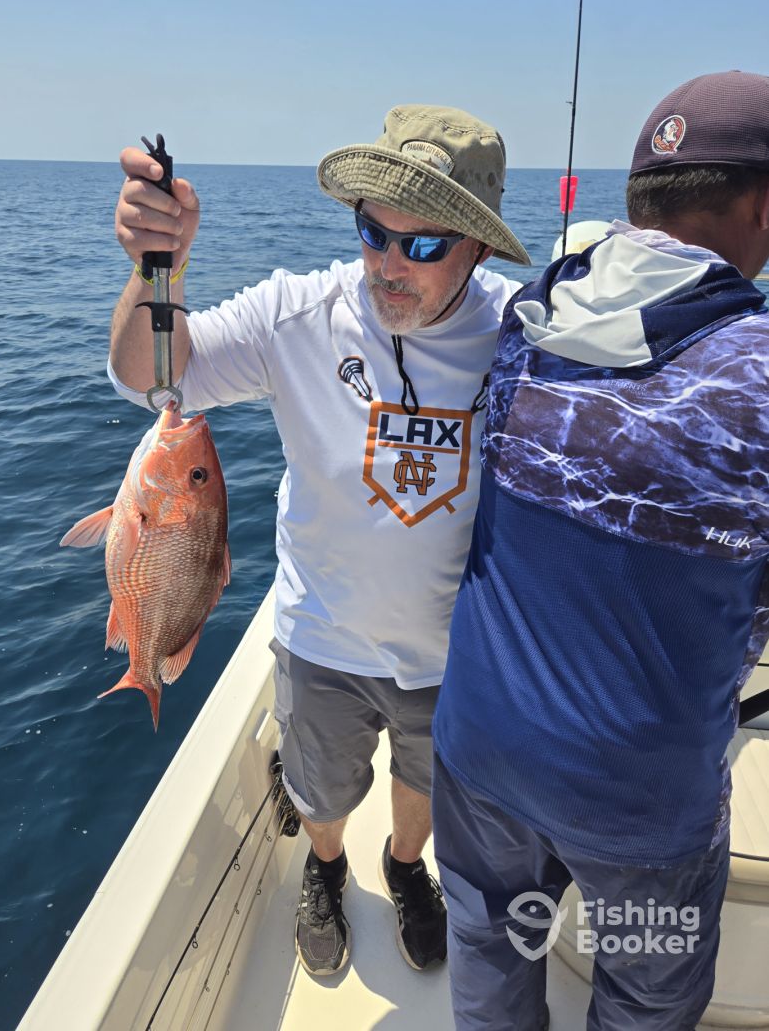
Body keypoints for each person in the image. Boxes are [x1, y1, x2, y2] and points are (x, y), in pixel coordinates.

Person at [108, 105, 530, 977]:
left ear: (479, 250)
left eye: (424, 245)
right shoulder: (297, 313)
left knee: (424, 781)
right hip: (322, 636)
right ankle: (326, 866)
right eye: (374, 232)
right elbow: (151, 377)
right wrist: (159, 271)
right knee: (320, 786)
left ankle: (405, 867)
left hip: (455, 647)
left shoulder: (520, 335)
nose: (389, 265)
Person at [432, 70, 769, 1030]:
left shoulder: (529, 312)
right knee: (641, 1002)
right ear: (761, 205)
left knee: (491, 954)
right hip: (640, 809)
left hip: (478, 748)